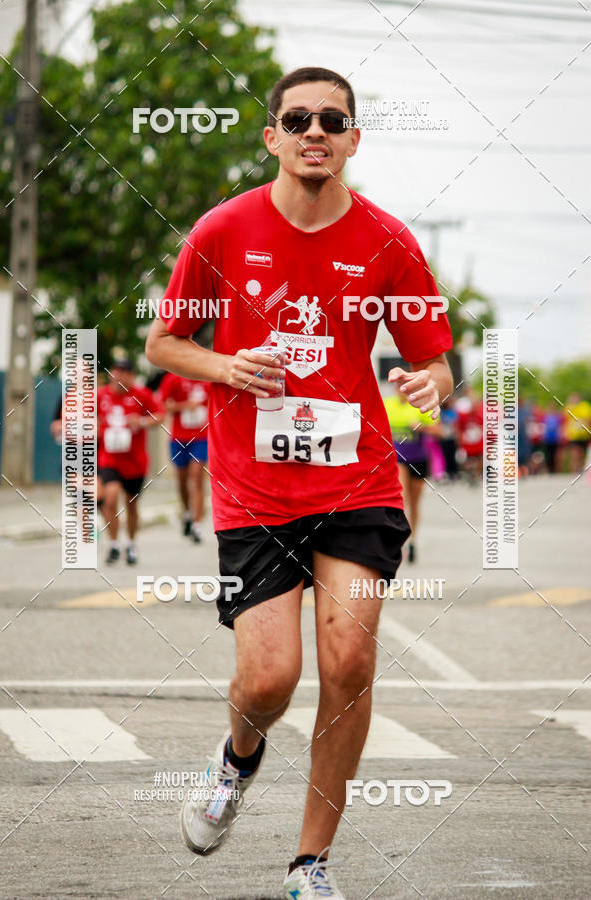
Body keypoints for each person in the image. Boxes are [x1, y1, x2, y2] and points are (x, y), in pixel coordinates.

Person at [146, 66, 453, 900]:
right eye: (298, 117)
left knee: (349, 660)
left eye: (334, 118)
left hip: (357, 482)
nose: (316, 129)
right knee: (270, 678)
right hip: (255, 487)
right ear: (273, 136)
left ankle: (308, 866)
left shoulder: (389, 241)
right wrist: (226, 364)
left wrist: (434, 383)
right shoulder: (222, 229)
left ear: (353, 139)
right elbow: (164, 345)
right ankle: (237, 758)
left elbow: (435, 357)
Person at [97, 355, 164, 565]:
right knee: (110, 497)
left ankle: (131, 544)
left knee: (131, 505)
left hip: (135, 461)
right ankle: (114, 544)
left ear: (132, 375)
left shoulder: (141, 394)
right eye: (115, 371)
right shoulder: (100, 395)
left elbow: (160, 415)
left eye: (124, 371)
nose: (118, 375)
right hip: (109, 458)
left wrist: (142, 421)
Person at [384, 386, 440, 563]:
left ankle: (413, 541)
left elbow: (440, 431)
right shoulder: (387, 405)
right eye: (399, 388)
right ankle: (397, 541)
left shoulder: (419, 406)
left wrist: (421, 427)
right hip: (397, 460)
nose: (402, 392)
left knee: (414, 503)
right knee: (402, 498)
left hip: (418, 459)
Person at [158, 373, 210, 541]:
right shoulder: (173, 378)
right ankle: (187, 512)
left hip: (201, 437)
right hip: (179, 438)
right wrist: (185, 406)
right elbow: (164, 405)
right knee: (182, 480)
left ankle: (197, 524)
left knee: (196, 477)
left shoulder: (208, 378)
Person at [563, 392, 591, 474]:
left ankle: (581, 468)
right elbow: (565, 418)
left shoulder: (584, 406)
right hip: (573, 434)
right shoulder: (569, 407)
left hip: (583, 434)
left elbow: (588, 419)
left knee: (582, 452)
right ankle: (574, 469)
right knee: (574, 452)